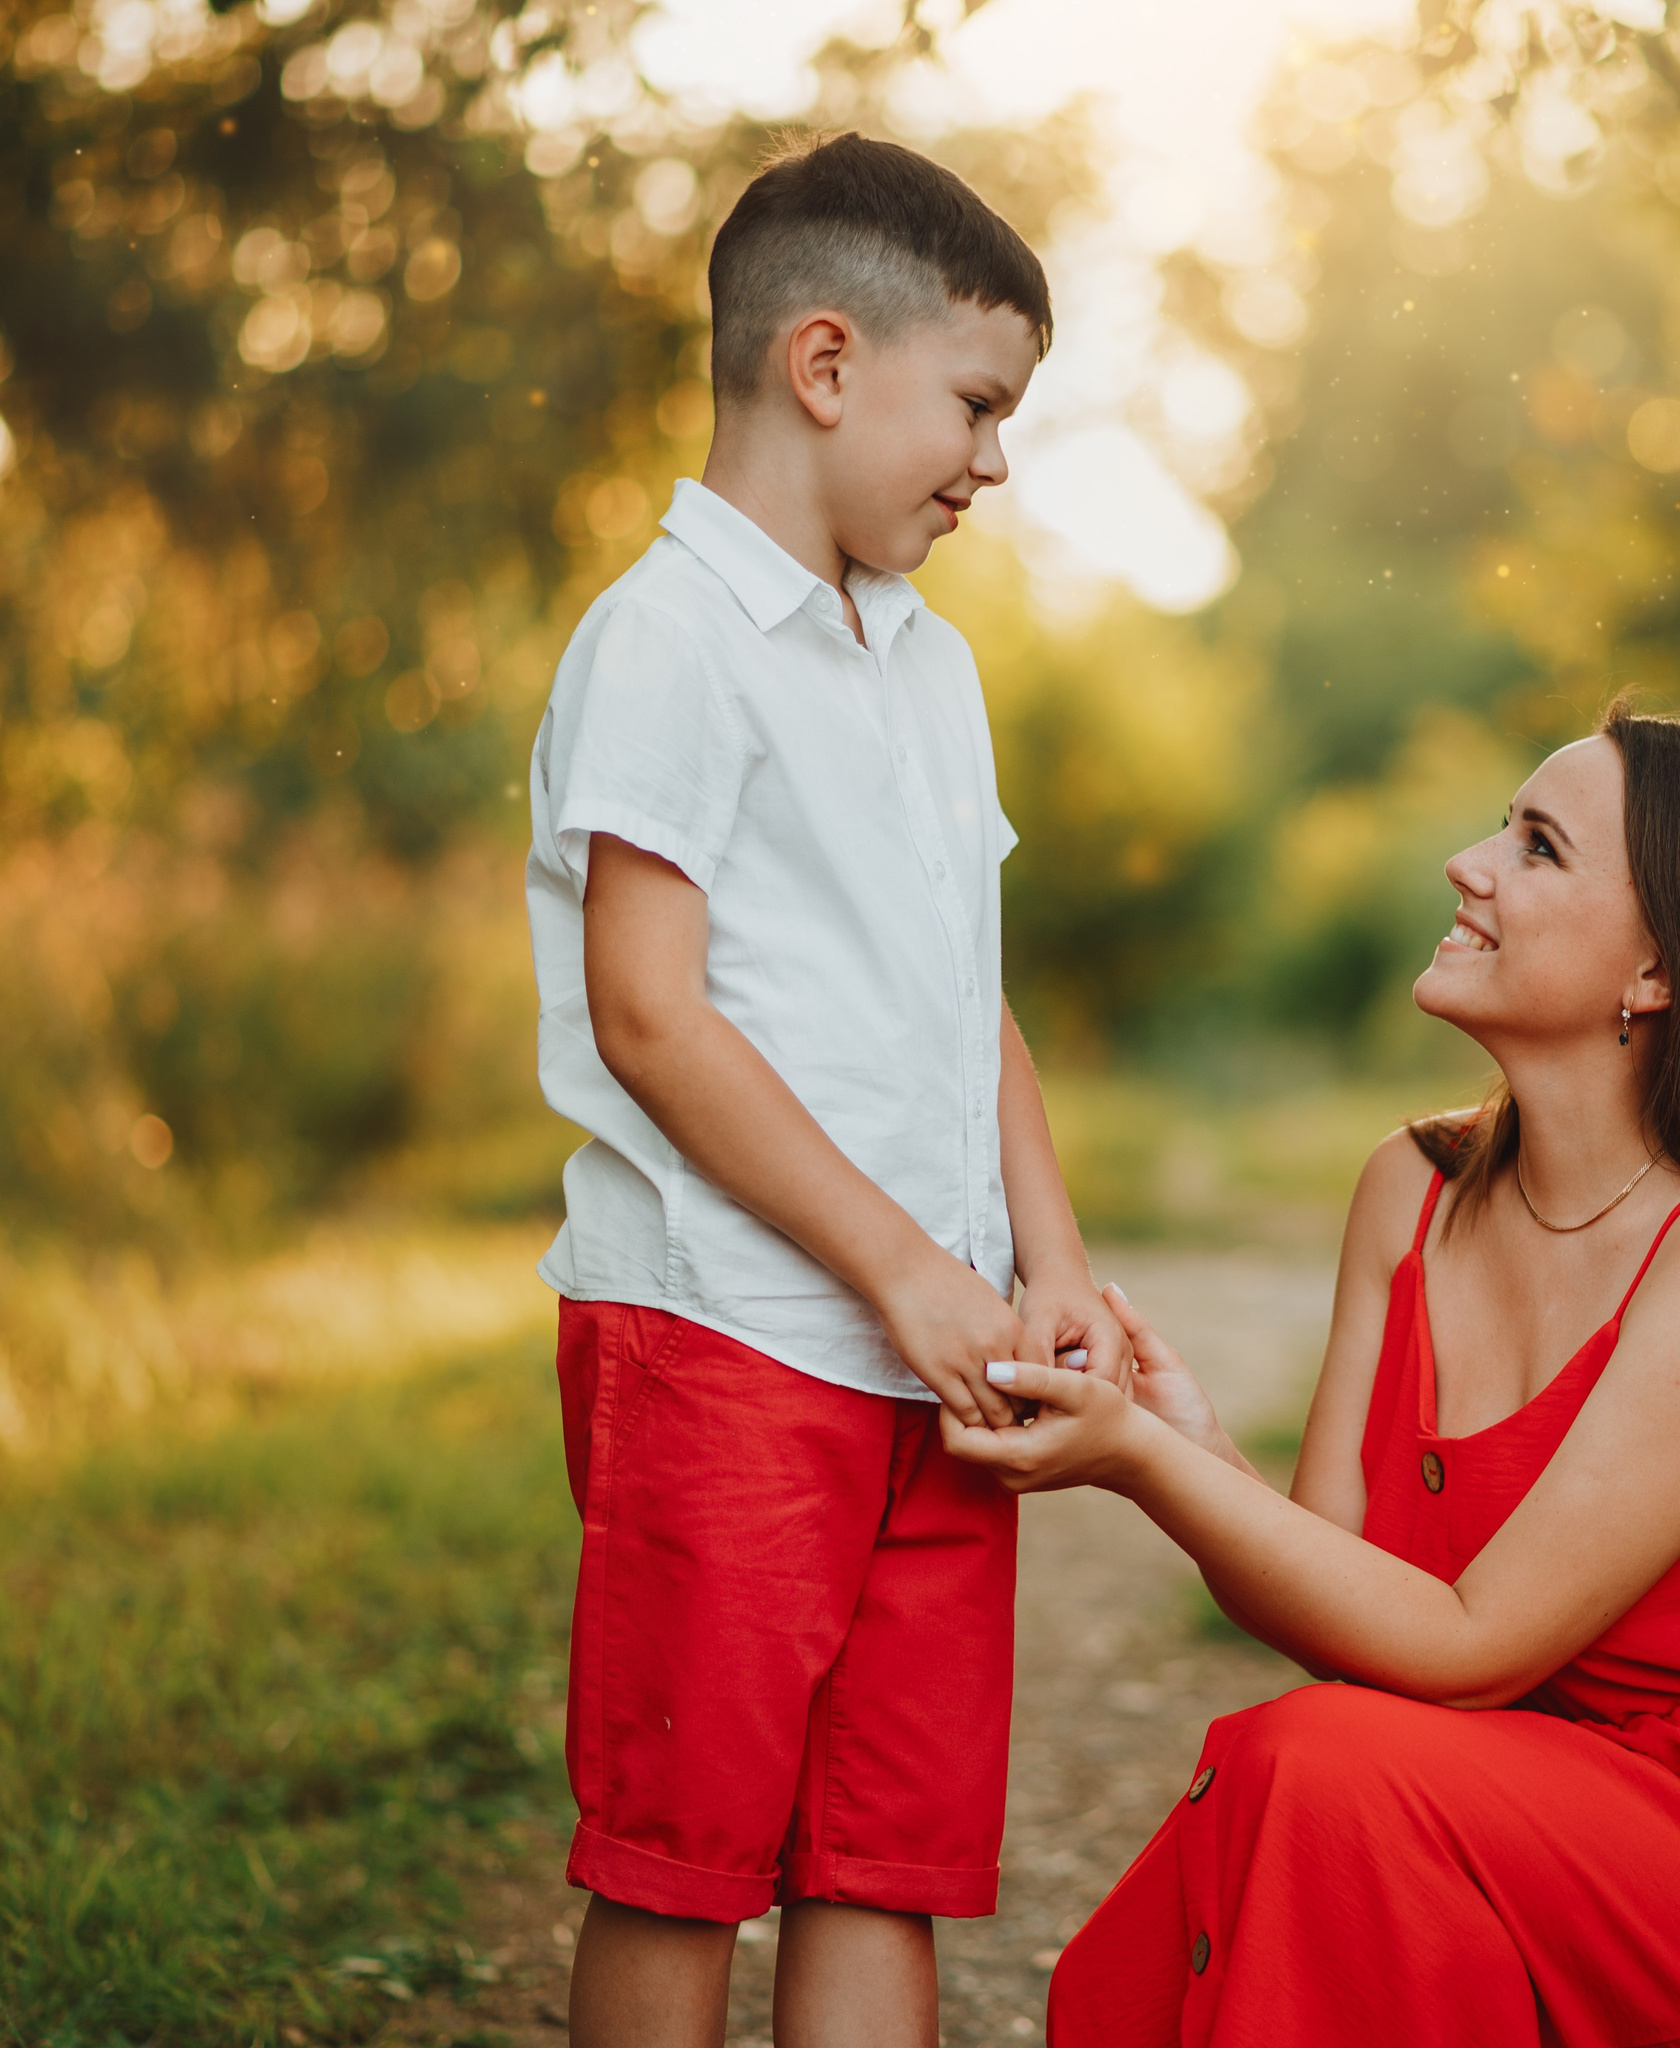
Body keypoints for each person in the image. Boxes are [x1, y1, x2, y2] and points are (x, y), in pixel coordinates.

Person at [949, 708, 1680, 2046]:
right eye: (1502, 824)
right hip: (1506, 1802)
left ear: (1657, 970)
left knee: (1314, 1763)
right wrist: (1187, 1446)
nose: (1465, 864)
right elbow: (1340, 1605)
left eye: (1536, 846)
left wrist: (1137, 1469)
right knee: (1320, 1753)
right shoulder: (1409, 1193)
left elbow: (1472, 1654)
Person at [522, 133, 1126, 2048]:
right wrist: (896, 1266)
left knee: (893, 1849)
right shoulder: (669, 642)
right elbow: (651, 1015)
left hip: (938, 1362)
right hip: (732, 1338)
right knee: (685, 1852)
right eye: (978, 404)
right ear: (826, 362)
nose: (995, 462)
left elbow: (974, 999)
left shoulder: (930, 665)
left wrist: (1050, 1259)